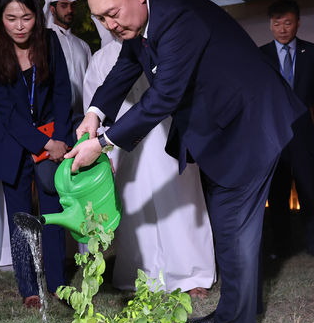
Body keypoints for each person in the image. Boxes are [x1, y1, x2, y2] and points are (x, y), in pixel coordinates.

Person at [65, 0, 303, 323]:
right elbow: (125, 70)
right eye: (101, 18)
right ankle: (235, 311)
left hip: (251, 125)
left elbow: (163, 97)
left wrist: (102, 143)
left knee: (233, 228)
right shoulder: (140, 25)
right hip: (220, 130)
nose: (109, 24)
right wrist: (93, 112)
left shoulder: (176, 18)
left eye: (113, 13)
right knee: (227, 226)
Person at [82, 26, 216, 297]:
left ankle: (193, 274)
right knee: (135, 210)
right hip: (121, 143)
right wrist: (100, 147)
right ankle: (142, 275)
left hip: (168, 135)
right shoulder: (101, 58)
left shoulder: (159, 44)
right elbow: (92, 105)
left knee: (181, 205)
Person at [0, 0, 73, 309]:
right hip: (14, 145)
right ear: (0, 20)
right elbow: (6, 112)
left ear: (37, 17)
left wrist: (59, 140)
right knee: (20, 218)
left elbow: (64, 93)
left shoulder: (49, 43)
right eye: (11, 18)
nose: (19, 25)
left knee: (52, 214)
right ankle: (29, 288)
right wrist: (43, 142)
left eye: (26, 17)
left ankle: (58, 284)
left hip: (54, 144)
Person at [259, 0, 314, 258]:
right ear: (270, 25)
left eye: (288, 23)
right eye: (277, 23)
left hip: (305, 134)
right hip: (274, 137)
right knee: (278, 195)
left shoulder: (313, 52)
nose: (283, 29)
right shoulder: (261, 55)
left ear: (298, 23)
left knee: (308, 191)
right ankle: (281, 248)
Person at [42, 0, 92, 124]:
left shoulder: (83, 45)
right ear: (52, 10)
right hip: (52, 120)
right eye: (64, 6)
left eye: (72, 6)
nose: (69, 10)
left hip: (81, 119)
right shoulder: (43, 41)